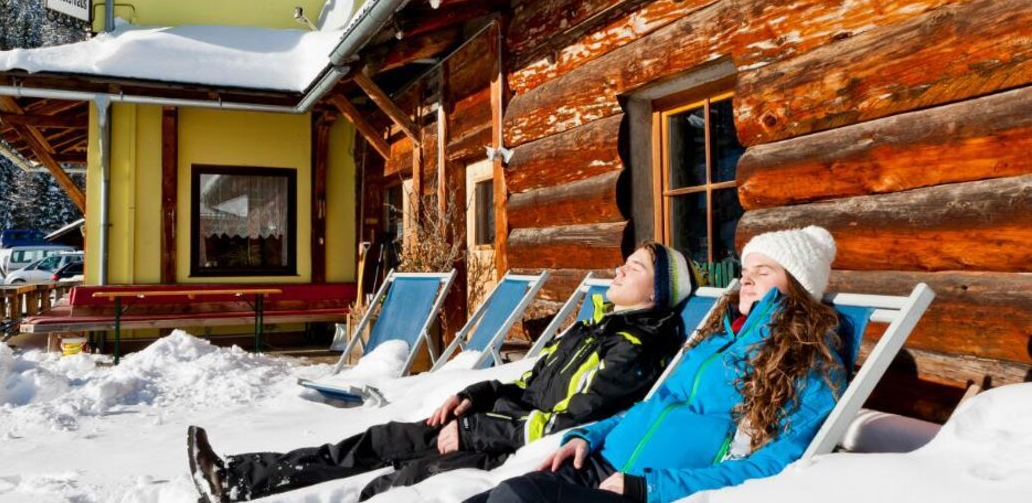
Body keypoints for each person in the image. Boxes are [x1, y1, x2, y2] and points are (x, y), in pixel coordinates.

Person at [187, 242, 699, 503]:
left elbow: (565, 421)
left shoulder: (634, 351)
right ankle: (237, 480)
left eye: (633, 268)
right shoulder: (598, 329)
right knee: (374, 441)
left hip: (506, 447)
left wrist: (477, 428)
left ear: (658, 293)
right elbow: (528, 382)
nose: (618, 271)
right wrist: (476, 393)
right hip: (488, 423)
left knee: (393, 485)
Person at [465, 226, 845, 503]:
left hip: (650, 490)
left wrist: (651, 486)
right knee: (489, 499)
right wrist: (588, 436)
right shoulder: (717, 339)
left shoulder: (808, 360)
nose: (746, 282)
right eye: (745, 274)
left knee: (519, 496)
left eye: (763, 273)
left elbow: (773, 464)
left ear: (799, 286)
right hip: (600, 463)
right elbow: (652, 405)